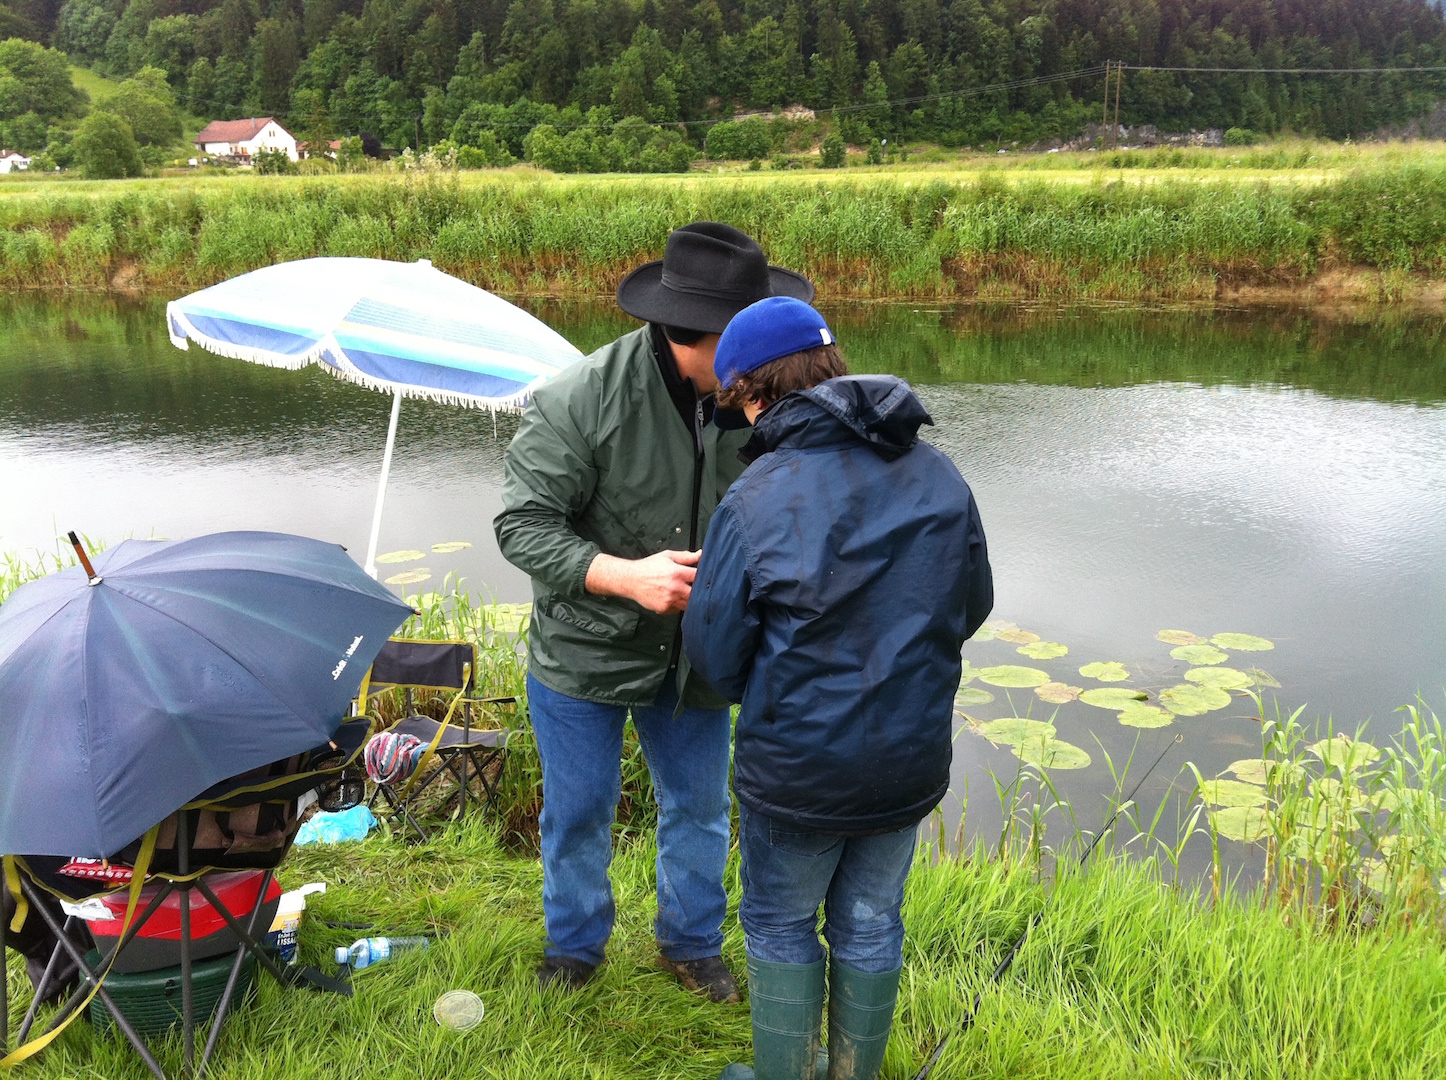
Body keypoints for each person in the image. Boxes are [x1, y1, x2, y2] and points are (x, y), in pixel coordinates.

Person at [493, 223, 814, 1001]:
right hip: (584, 651)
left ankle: (691, 946)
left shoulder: (762, 401)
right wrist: (621, 576)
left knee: (700, 809)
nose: (765, 358)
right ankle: (574, 948)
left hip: (697, 657)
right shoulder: (580, 399)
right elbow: (521, 526)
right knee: (578, 812)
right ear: (691, 334)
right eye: (745, 337)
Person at [683, 297, 993, 1080]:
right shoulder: (939, 473)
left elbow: (715, 658)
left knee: (779, 923)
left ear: (751, 391)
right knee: (871, 921)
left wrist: (780, 684)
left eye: (735, 401)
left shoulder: (756, 496)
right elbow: (973, 605)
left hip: (799, 772)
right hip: (908, 759)